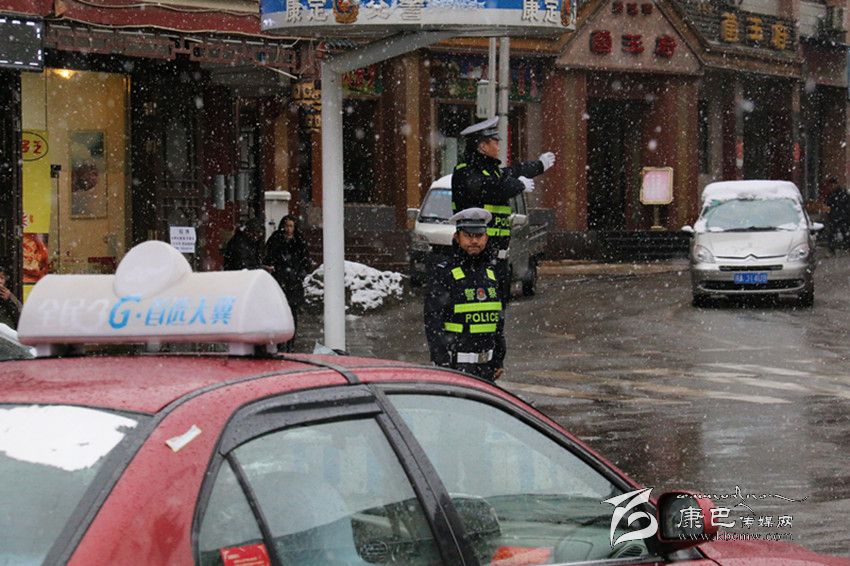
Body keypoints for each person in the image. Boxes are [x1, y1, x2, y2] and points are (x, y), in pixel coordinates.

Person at [451, 116, 555, 297]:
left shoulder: (490, 170)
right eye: (495, 142)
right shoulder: (466, 171)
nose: (498, 147)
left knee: (495, 299)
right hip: (475, 249)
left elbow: (512, 172)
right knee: (476, 295)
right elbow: (489, 188)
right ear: (483, 146)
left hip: (494, 251)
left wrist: (539, 166)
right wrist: (518, 185)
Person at [424, 208, 506, 381]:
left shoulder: (492, 273)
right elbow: (433, 321)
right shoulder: (444, 273)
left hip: (487, 368)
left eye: (479, 236)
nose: (474, 241)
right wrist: (442, 361)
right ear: (457, 237)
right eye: (468, 235)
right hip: (456, 368)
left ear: (486, 238)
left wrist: (499, 358)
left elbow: (497, 320)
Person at [265, 215, 312, 351]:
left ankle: (290, 343)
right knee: (280, 311)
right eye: (286, 225)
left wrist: (300, 273)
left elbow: (306, 260)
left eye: (291, 226)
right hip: (280, 279)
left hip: (294, 282)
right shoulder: (276, 239)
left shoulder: (299, 240)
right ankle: (280, 343)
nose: (288, 229)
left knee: (292, 312)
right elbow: (269, 256)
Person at [824, 175, 850, 253]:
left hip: (843, 217)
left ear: (836, 184)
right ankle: (831, 250)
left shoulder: (843, 193)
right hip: (834, 217)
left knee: (845, 233)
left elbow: (847, 205)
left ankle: (846, 247)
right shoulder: (831, 194)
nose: (831, 187)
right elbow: (828, 205)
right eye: (830, 185)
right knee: (832, 234)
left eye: (832, 185)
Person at [0, 264, 23, 330]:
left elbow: (21, 317)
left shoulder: (11, 296)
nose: (0, 281)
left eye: (2, 278)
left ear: (6, 281)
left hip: (8, 332)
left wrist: (9, 300)